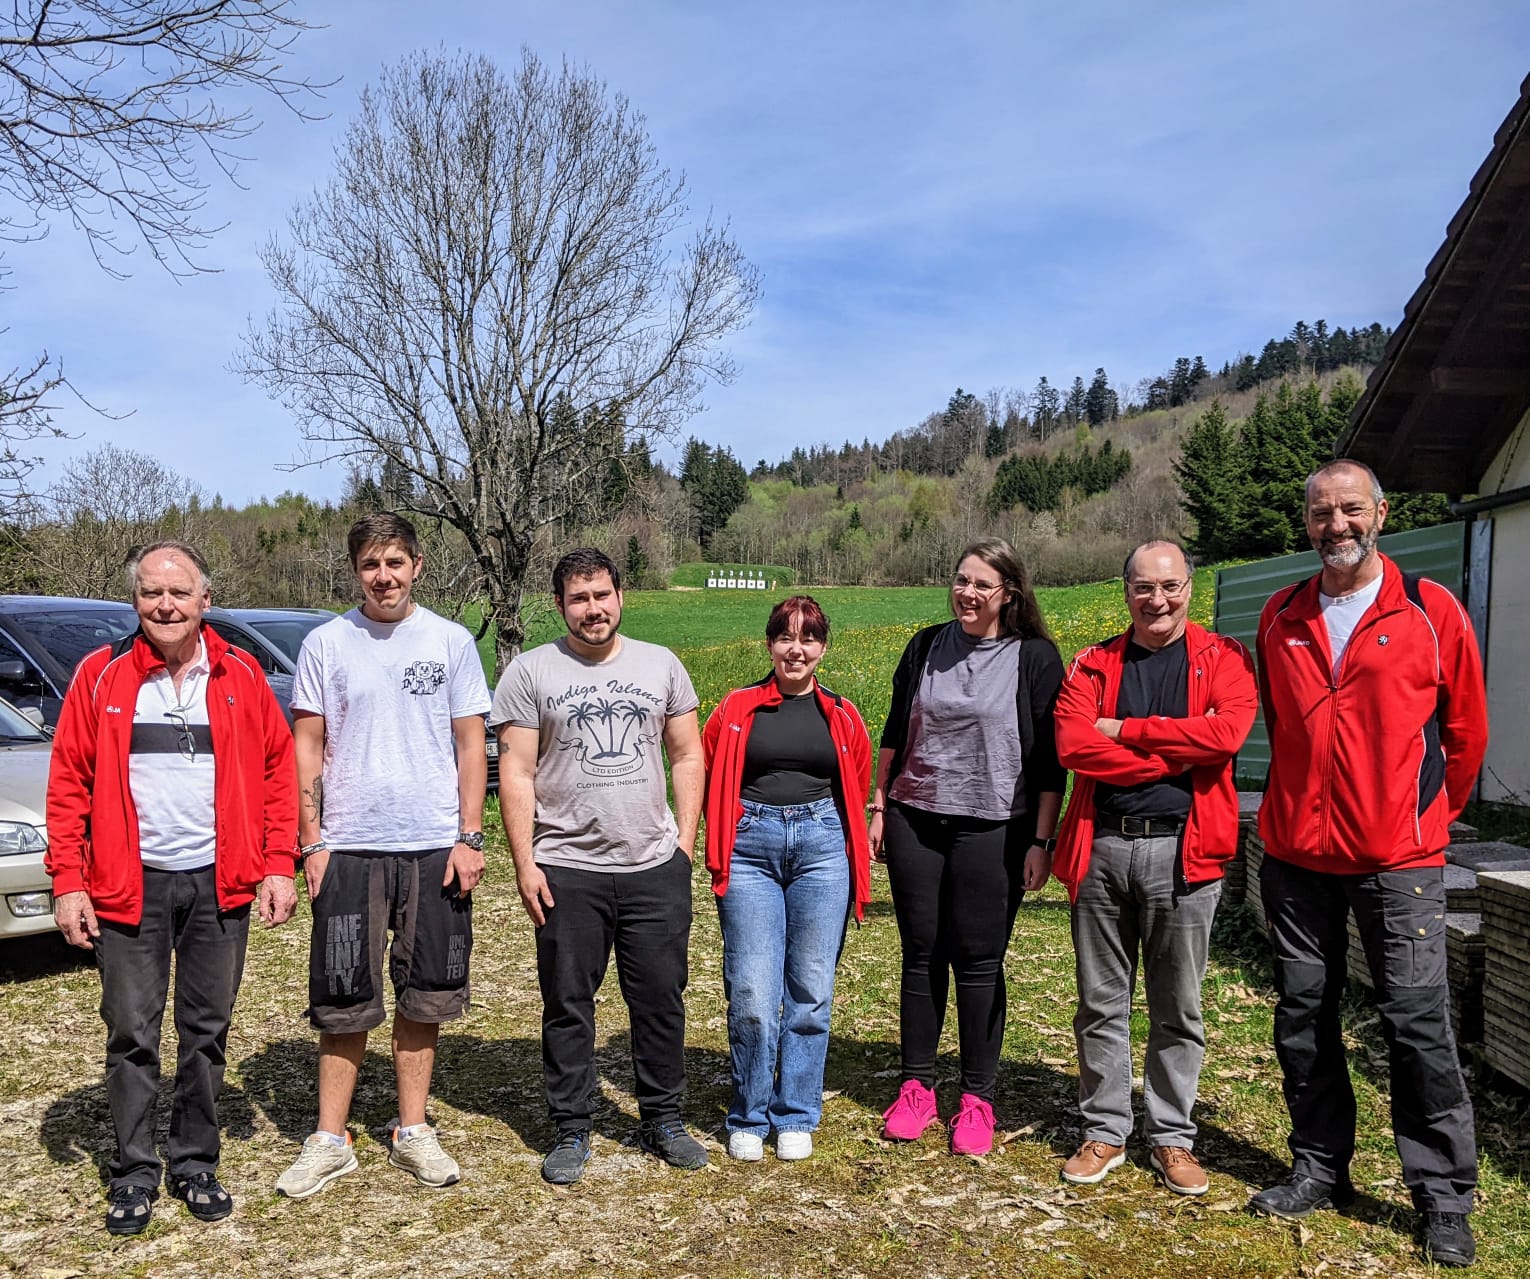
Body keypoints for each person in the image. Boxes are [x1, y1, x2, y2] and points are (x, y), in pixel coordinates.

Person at [1251, 460, 1487, 1270]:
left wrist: (1423, 818)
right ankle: (1320, 1166)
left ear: (1380, 512)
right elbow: (1283, 725)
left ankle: (1443, 1196)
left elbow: (1465, 735)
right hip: (1294, 859)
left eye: (1350, 510)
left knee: (1418, 1025)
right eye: (1321, 514)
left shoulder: (1428, 609)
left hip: (1399, 861)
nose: (1336, 526)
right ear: (1307, 522)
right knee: (1301, 1014)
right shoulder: (1282, 614)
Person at [45, 541, 298, 1235]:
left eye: (179, 593)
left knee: (206, 1030)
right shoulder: (99, 677)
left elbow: (279, 773)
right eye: (152, 593)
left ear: (204, 601)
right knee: (131, 1031)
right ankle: (133, 1170)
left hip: (221, 884)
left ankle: (194, 1159)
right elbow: (67, 781)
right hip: (130, 886)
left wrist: (280, 863)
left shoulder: (243, 675)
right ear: (135, 601)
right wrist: (69, 880)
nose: (166, 605)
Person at [275, 514, 490, 1198]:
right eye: (371, 563)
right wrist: (311, 840)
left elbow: (470, 745)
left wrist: (470, 834)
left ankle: (412, 1129)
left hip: (433, 844)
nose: (384, 575)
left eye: (395, 561)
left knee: (425, 990)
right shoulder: (326, 644)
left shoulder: (451, 642)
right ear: (355, 570)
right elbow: (307, 745)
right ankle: (330, 1138)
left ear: (418, 565)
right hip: (350, 846)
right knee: (343, 993)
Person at [493, 547, 707, 1185]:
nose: (593, 609)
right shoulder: (530, 673)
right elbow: (517, 772)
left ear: (621, 597)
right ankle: (572, 1127)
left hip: (652, 866)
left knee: (661, 1001)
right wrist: (525, 862)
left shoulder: (661, 665)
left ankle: (663, 1118)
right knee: (567, 1002)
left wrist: (683, 848)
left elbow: (688, 756)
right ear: (560, 605)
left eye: (602, 595)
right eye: (579, 598)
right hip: (566, 866)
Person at [1052, 540, 1256, 1195]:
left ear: (1189, 586)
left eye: (1169, 585)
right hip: (1105, 846)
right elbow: (1073, 744)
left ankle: (1172, 1136)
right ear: (1126, 591)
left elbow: (1224, 737)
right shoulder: (1092, 663)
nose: (1157, 599)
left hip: (1184, 849)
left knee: (1178, 1005)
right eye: (1144, 587)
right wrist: (1172, 750)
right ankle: (1105, 1129)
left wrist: (1127, 730)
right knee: (1100, 1003)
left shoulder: (1223, 659)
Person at [869, 537, 1065, 1157]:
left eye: (982, 584)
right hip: (916, 818)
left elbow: (1049, 762)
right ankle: (917, 1089)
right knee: (921, 955)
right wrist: (880, 805)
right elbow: (896, 729)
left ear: (1009, 592)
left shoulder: (1034, 657)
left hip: (995, 826)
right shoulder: (926, 645)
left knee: (979, 962)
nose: (968, 593)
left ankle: (977, 1098)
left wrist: (1040, 839)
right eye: (961, 580)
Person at [702, 596, 872, 1162]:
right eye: (785, 637)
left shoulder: (842, 714)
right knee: (751, 990)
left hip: (823, 848)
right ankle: (749, 1112)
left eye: (808, 638)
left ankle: (796, 1111)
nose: (795, 649)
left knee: (811, 988)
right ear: (769, 643)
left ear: (823, 647)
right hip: (750, 847)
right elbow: (706, 770)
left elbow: (859, 776)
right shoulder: (735, 707)